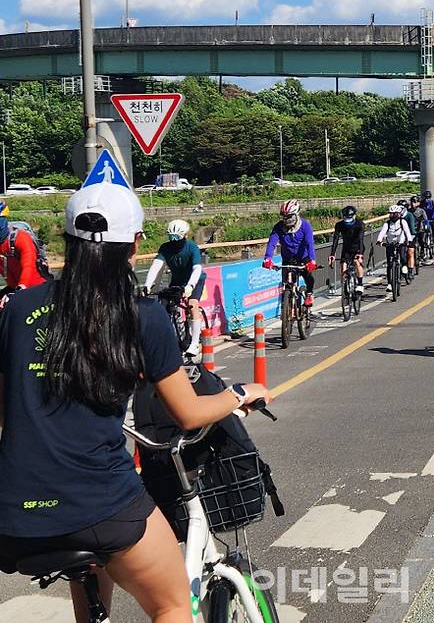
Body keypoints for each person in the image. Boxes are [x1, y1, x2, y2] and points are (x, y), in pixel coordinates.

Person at [0, 179, 271, 622]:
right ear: (136, 244)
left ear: (65, 241)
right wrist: (239, 394)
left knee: (89, 571)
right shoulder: (141, 315)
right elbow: (188, 412)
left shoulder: (16, 309)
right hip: (98, 501)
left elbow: (6, 409)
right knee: (171, 605)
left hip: (14, 511)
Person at [144, 219, 207, 357]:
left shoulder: (192, 247)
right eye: (171, 237)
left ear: (185, 235)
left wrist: (190, 286)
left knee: (192, 305)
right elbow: (156, 266)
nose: (173, 241)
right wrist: (148, 285)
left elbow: (197, 269)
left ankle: (194, 343)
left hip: (195, 280)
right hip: (177, 281)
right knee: (165, 305)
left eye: (176, 238)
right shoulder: (166, 248)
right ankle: (174, 336)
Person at [262, 199, 317, 306]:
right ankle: (286, 307)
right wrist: (268, 258)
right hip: (287, 258)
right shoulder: (279, 227)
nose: (286, 220)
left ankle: (309, 294)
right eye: (284, 217)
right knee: (286, 283)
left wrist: (312, 260)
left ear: (296, 215)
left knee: (308, 277)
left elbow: (310, 243)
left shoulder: (305, 226)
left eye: (289, 216)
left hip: (303, 257)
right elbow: (272, 243)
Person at [0, 202, 48, 298]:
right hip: (13, 288)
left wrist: (21, 287)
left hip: (36, 288)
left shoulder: (21, 237)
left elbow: (29, 265)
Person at [328, 205, 365, 295]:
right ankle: (345, 286)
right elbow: (335, 239)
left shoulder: (359, 224)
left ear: (354, 216)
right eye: (345, 217)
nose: (347, 220)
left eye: (349, 217)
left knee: (357, 262)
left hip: (357, 247)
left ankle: (360, 284)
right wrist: (332, 254)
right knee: (343, 267)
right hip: (346, 248)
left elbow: (361, 238)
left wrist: (360, 254)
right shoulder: (339, 225)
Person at [377, 205, 413, 292]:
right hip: (390, 244)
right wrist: (379, 240)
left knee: (403, 256)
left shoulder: (402, 222)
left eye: (395, 214)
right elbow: (382, 232)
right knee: (390, 264)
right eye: (391, 214)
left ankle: (404, 266)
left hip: (400, 242)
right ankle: (389, 283)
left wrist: (409, 240)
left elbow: (407, 232)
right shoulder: (387, 223)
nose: (393, 216)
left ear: (399, 214)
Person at [397, 199, 416, 278]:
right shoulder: (396, 216)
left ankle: (410, 271)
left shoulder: (409, 215)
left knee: (410, 252)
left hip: (410, 236)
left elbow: (412, 230)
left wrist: (409, 239)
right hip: (400, 238)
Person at [410, 195, 430, 263]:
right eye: (412, 202)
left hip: (420, 229)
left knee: (421, 241)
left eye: (415, 202)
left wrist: (426, 227)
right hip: (411, 230)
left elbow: (426, 220)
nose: (413, 204)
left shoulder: (421, 211)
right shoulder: (408, 211)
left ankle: (422, 253)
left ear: (418, 203)